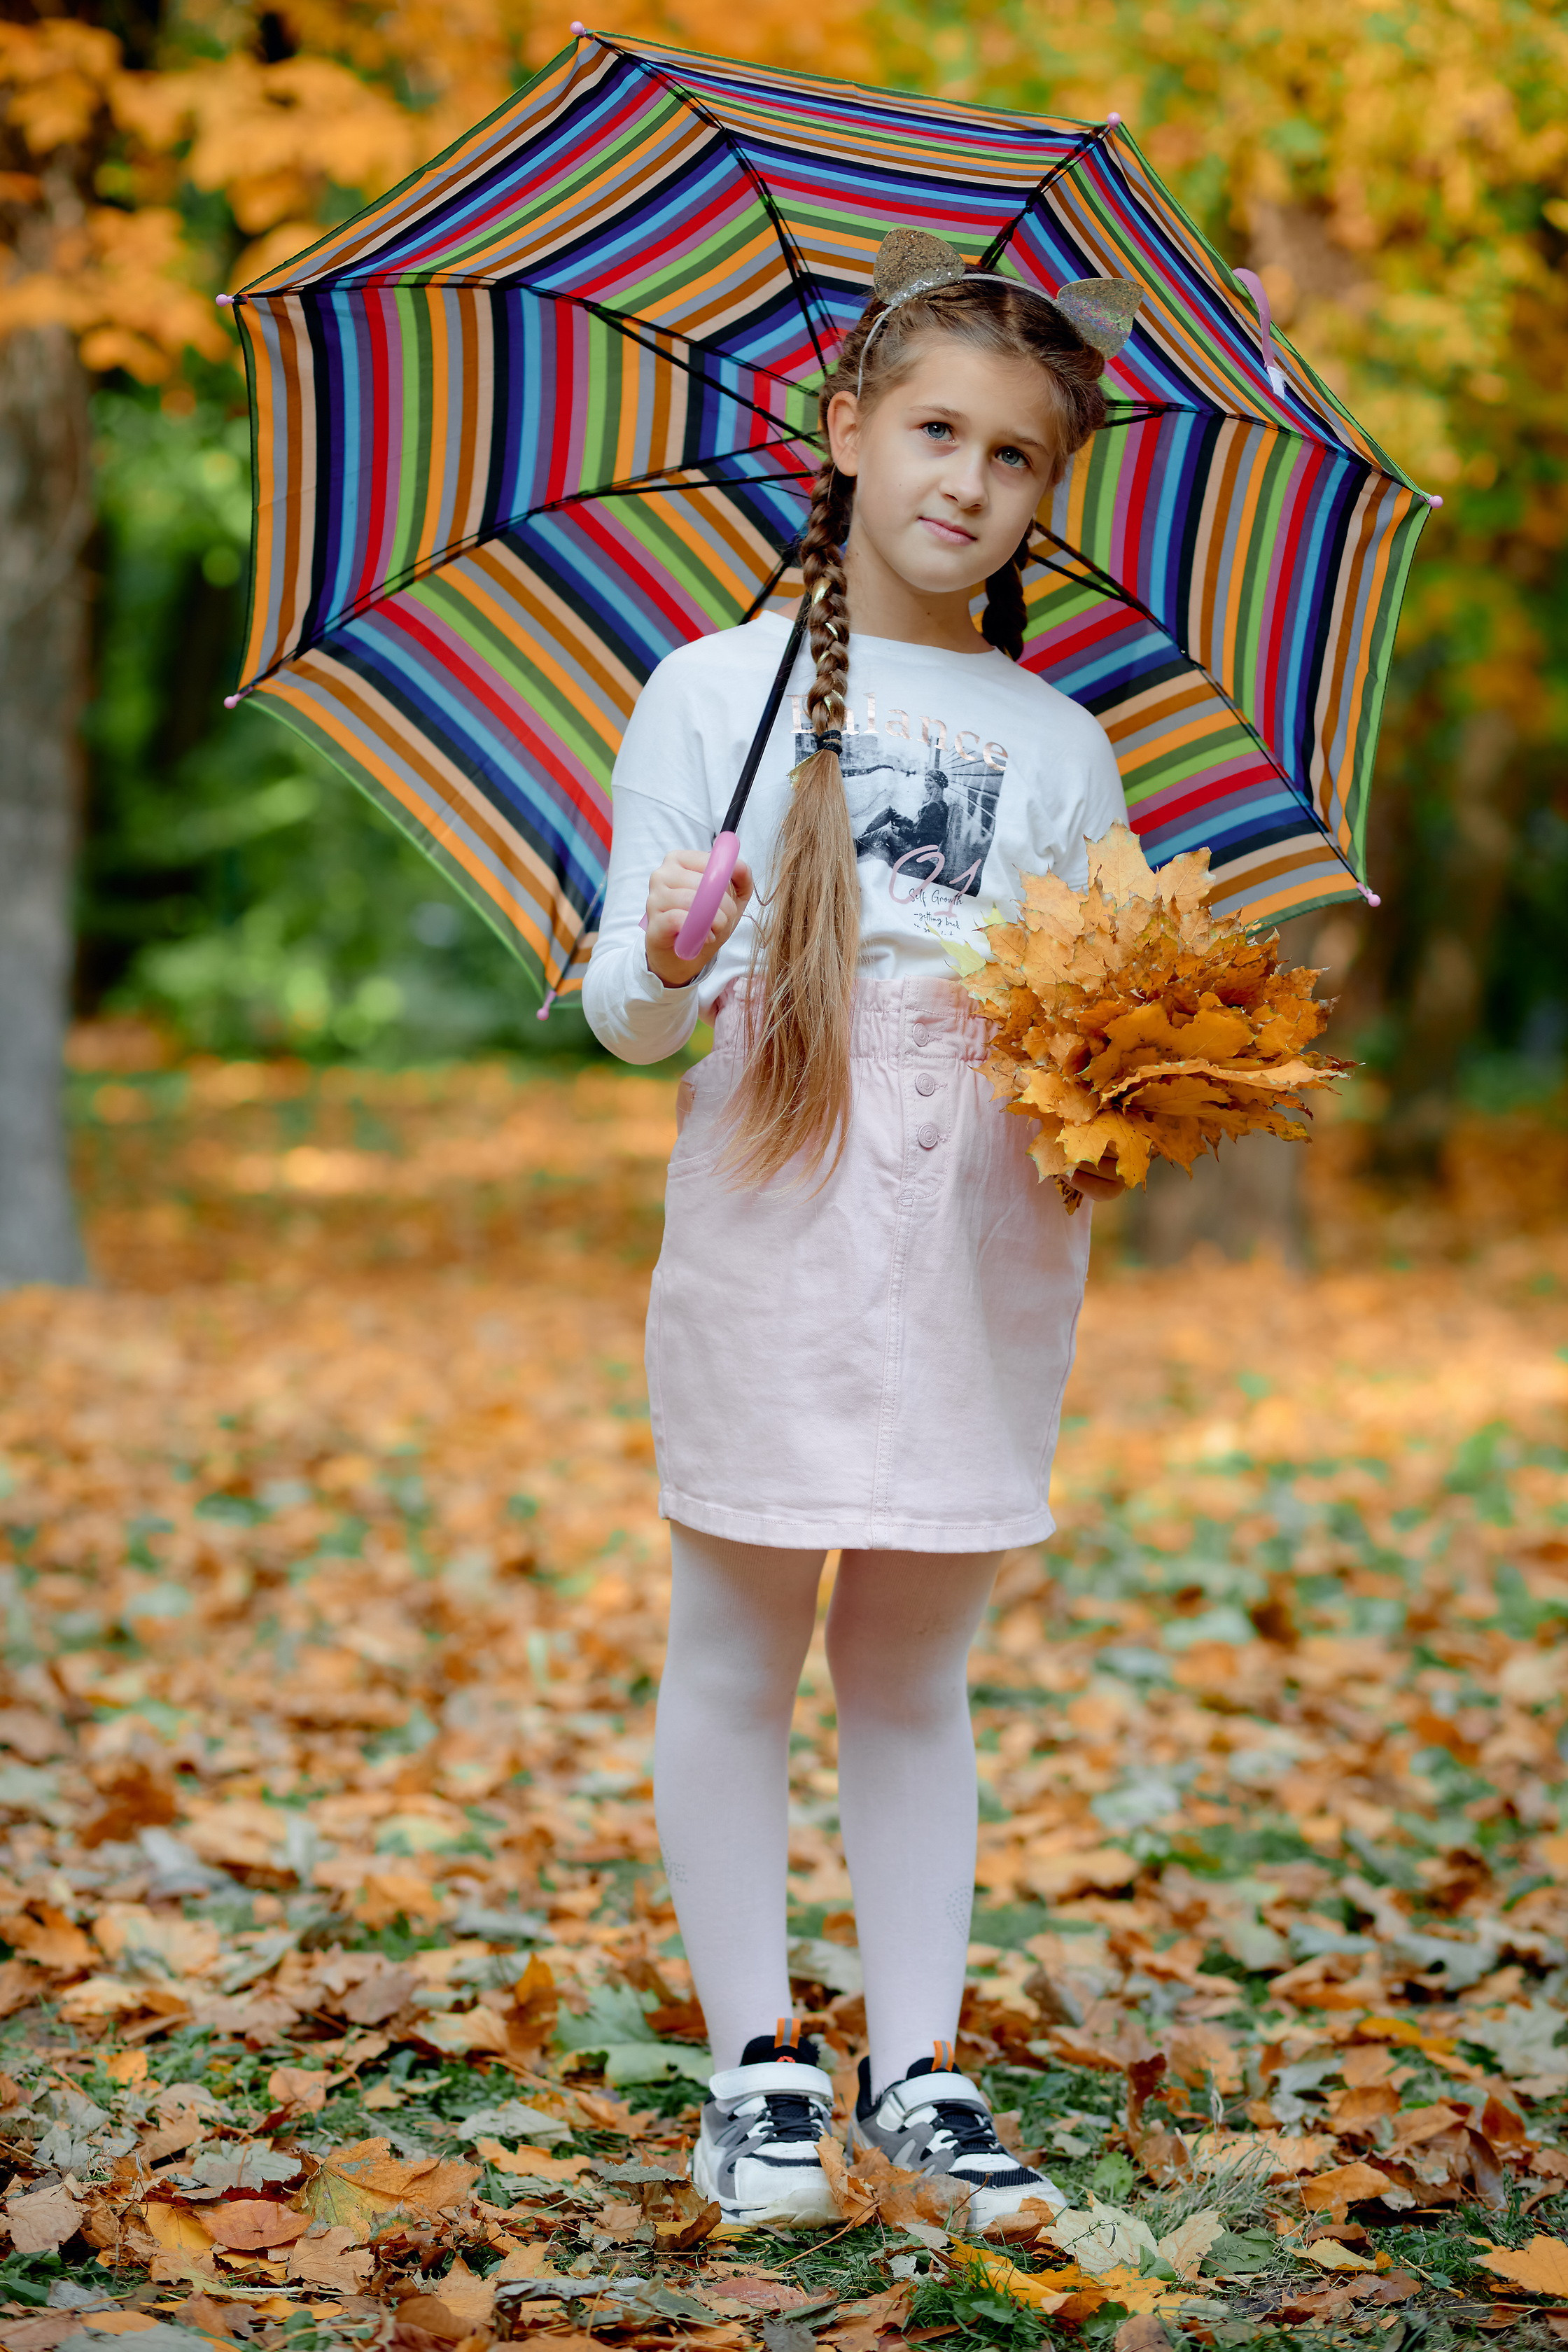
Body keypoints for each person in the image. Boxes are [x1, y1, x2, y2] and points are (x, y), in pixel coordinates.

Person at [583, 228, 1132, 2237]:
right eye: (933, 430)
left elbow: (1102, 1004)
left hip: (978, 1227)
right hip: (778, 1191)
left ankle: (920, 2062)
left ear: (1044, 495)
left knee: (915, 1667)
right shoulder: (715, 693)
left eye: (1015, 457)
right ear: (847, 434)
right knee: (740, 1646)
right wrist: (672, 943)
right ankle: (758, 2066)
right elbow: (632, 1029)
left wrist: (1145, 1067)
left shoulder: (1065, 748)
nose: (968, 483)